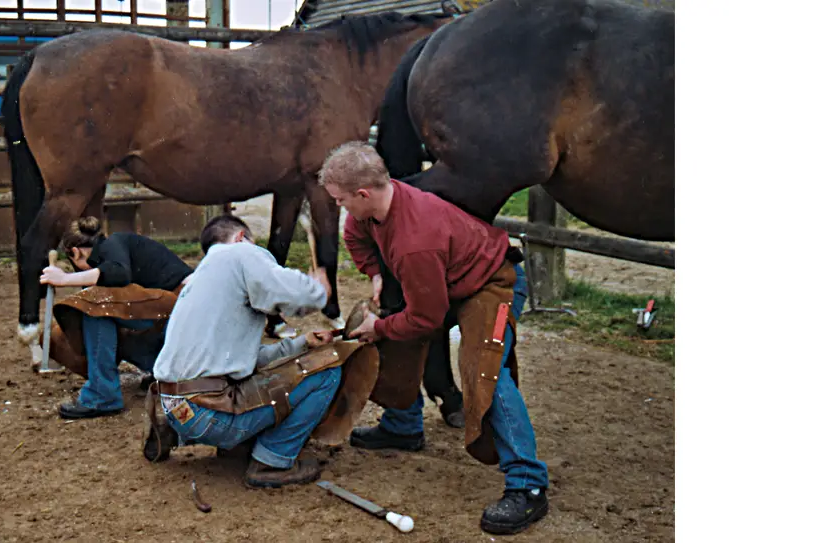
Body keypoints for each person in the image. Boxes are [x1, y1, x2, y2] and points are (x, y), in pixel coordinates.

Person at [319, 141, 550, 535]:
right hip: (445, 280)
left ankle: (528, 486)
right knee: (395, 333)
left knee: (484, 373)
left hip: (490, 283)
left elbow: (426, 319)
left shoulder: (415, 242)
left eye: (341, 201)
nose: (340, 207)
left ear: (363, 193)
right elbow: (356, 237)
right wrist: (376, 273)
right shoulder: (369, 211)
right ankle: (403, 426)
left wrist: (379, 327)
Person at [148, 215, 342, 488]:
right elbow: (300, 295)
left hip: (173, 406)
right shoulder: (238, 253)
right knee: (328, 372)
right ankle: (272, 461)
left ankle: (182, 431)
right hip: (208, 413)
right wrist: (318, 289)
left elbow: (241, 360)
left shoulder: (199, 279)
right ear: (241, 237)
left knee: (256, 376)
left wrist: (302, 344)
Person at [40, 217, 192, 420]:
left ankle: (102, 396)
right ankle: (162, 370)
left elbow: (118, 273)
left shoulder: (113, 244)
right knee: (103, 308)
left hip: (183, 304)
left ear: (74, 252)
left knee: (95, 304)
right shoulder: (112, 255)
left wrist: (65, 279)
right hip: (178, 315)